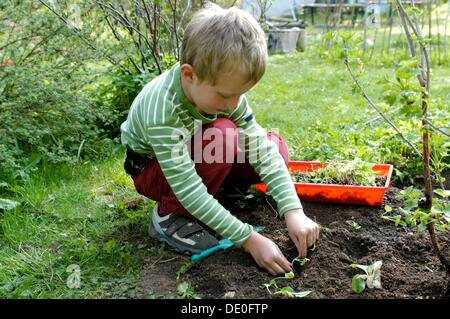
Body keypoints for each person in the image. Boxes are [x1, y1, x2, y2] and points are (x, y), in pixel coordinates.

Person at [120, 2, 319, 276]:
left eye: (240, 94)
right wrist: (249, 239)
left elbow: (259, 148)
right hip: (153, 171)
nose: (234, 103)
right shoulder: (163, 111)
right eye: (225, 96)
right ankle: (170, 216)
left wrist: (293, 211)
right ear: (189, 75)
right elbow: (189, 188)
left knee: (275, 147)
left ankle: (215, 189)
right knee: (222, 136)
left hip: (195, 152)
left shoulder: (221, 91)